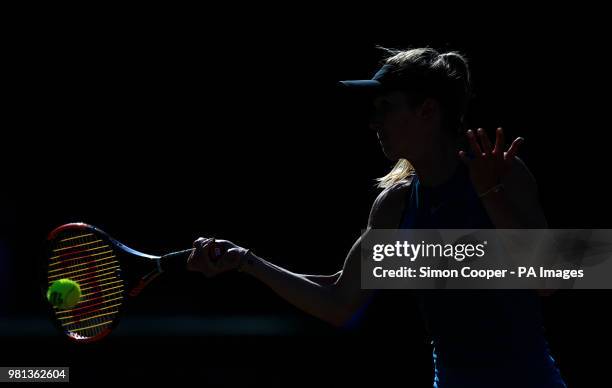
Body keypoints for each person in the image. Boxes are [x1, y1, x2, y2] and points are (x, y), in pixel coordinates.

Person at [186, 47, 567, 387]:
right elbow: (339, 302)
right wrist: (246, 261)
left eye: (386, 107)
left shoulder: (504, 174)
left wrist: (489, 192)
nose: (373, 121)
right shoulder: (394, 205)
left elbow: (548, 280)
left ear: (428, 111)